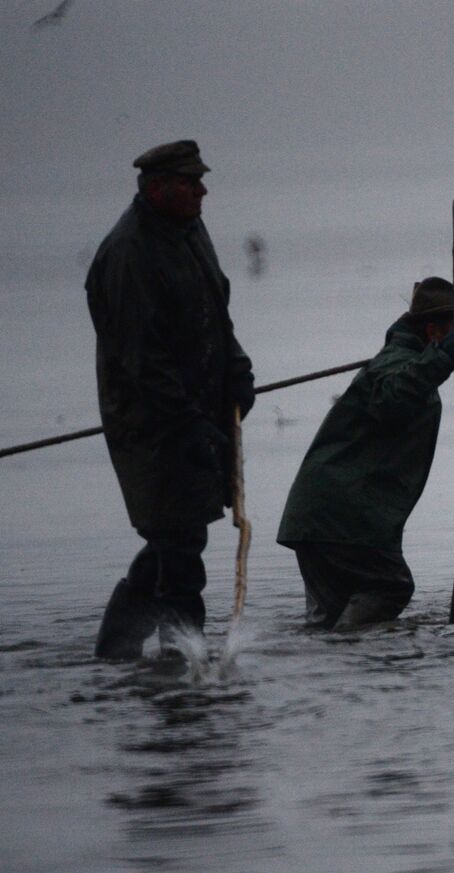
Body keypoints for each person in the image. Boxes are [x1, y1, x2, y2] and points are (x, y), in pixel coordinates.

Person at [87, 140, 255, 660]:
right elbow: (142, 360)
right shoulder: (129, 252)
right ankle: (186, 664)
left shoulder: (188, 231)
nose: (203, 190)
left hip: (199, 416)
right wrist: (187, 423)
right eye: (190, 182)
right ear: (157, 189)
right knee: (180, 547)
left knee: (175, 541)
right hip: (152, 430)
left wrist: (237, 368)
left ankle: (117, 651)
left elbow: (213, 312)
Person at [276, 278, 454, 629]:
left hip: (322, 515)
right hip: (343, 517)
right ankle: (348, 653)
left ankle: (326, 673)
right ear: (433, 331)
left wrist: (439, 357)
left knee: (328, 619)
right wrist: (443, 357)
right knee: (390, 586)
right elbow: (392, 398)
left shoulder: (404, 361)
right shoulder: (397, 361)